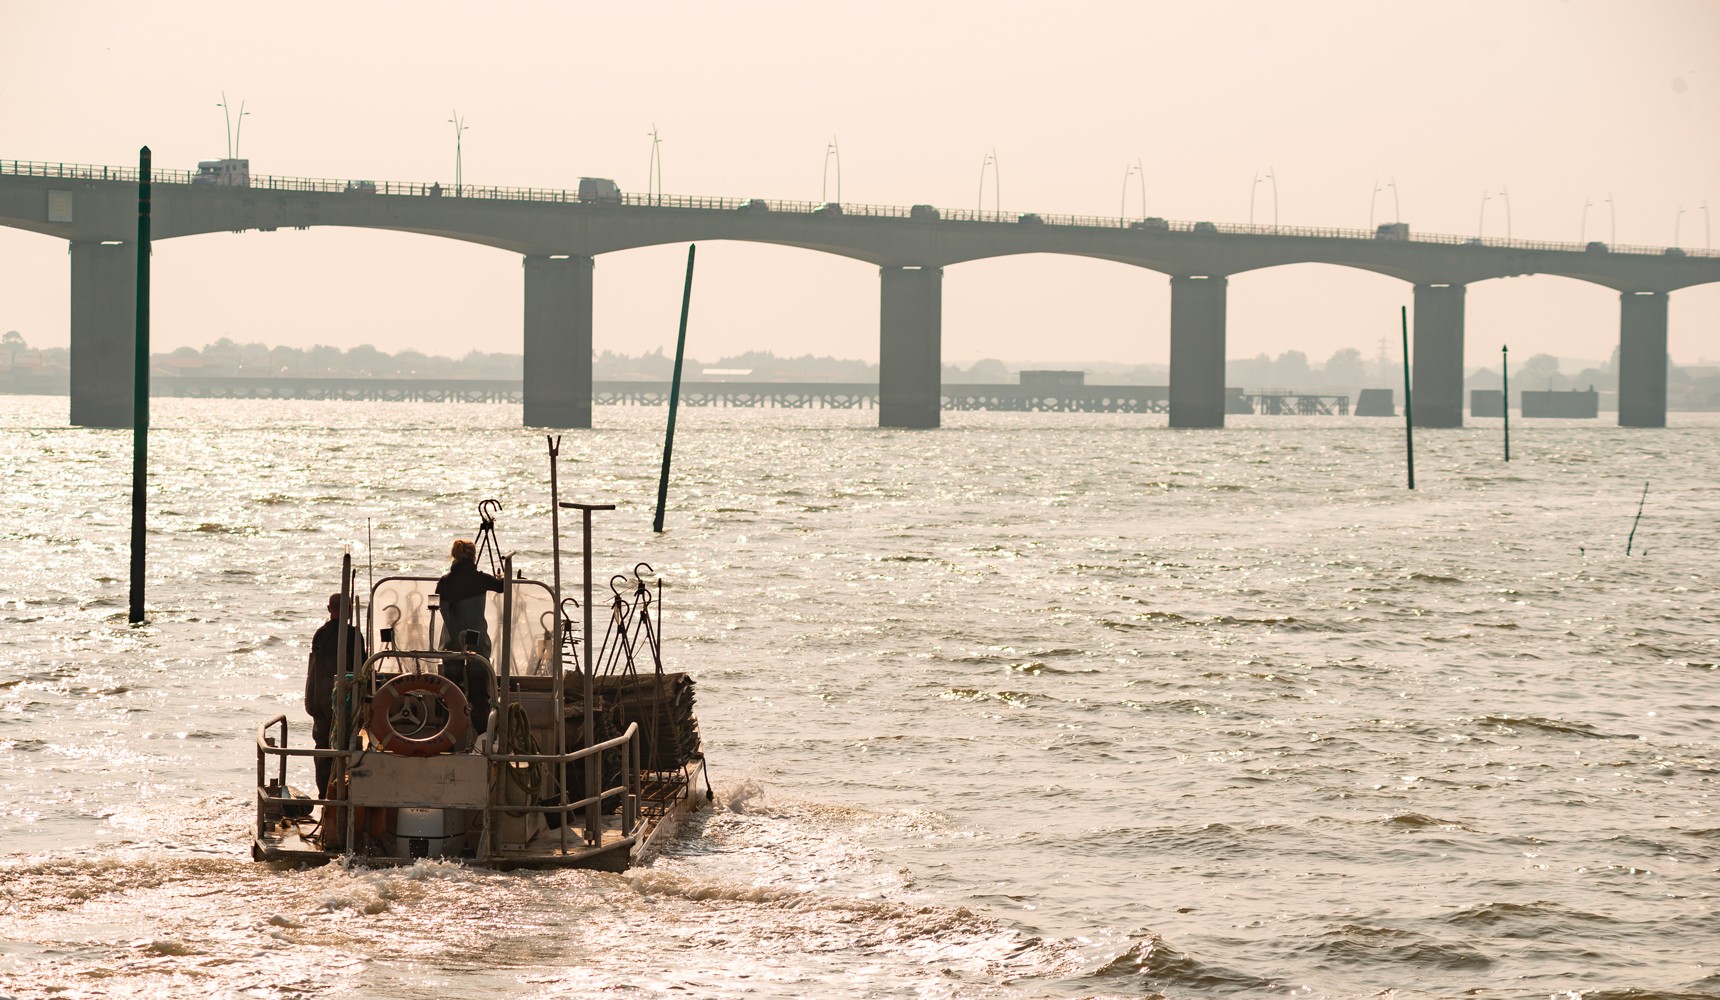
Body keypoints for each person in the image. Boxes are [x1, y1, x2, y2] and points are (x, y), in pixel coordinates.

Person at [435, 539, 503, 740]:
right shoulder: (480, 579)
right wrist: (503, 575)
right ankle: (483, 738)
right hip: (477, 644)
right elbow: (502, 587)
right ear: (474, 557)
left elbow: (443, 608)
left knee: (451, 693)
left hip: (451, 644)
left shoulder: (445, 581)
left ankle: (446, 739)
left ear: (454, 556)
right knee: (479, 695)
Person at [305, 593, 366, 800]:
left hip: (319, 702)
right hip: (347, 702)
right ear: (350, 611)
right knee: (349, 746)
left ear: (329, 609)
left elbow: (313, 672)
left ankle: (325, 793)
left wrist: (312, 703)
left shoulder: (320, 634)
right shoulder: (354, 636)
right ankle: (344, 791)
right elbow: (362, 671)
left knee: (323, 748)